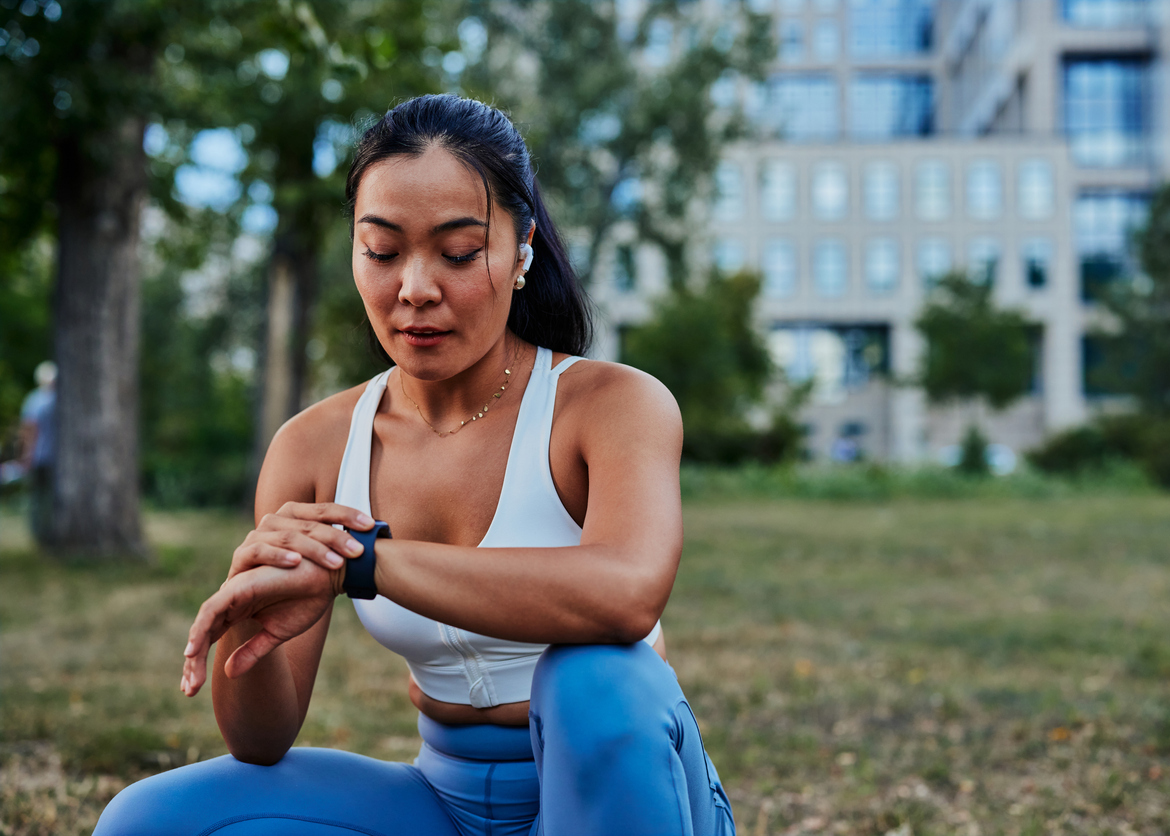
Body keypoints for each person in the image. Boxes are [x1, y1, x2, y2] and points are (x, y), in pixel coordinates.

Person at [94, 94, 734, 836]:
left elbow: (626, 596)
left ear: (522, 249)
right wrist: (254, 607)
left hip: (628, 802)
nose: (416, 288)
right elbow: (259, 741)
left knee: (592, 676)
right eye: (384, 251)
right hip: (445, 804)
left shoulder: (610, 404)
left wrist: (363, 564)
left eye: (459, 253)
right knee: (149, 822)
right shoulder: (314, 446)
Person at [19, 361, 56, 544]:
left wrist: (26, 456)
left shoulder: (35, 400)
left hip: (39, 457)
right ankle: (48, 533)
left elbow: (29, 431)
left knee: (39, 498)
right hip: (56, 459)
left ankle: (40, 534)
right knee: (51, 497)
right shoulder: (63, 400)